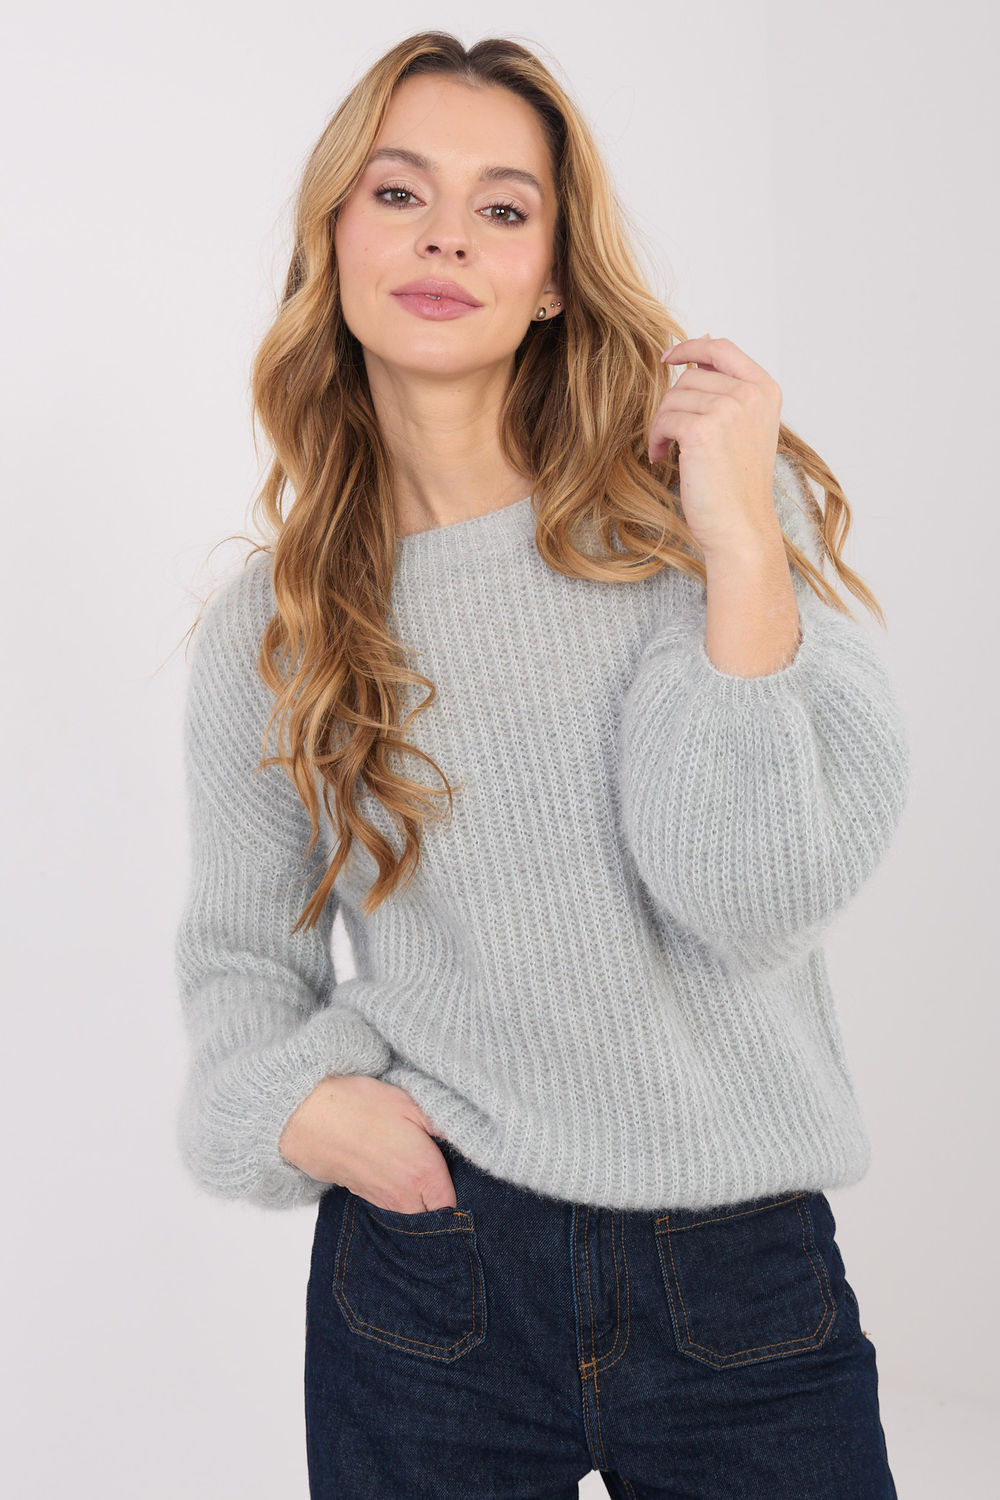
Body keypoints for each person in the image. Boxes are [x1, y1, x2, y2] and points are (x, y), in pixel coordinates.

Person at [174, 29, 907, 1499]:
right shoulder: (282, 617)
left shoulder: (697, 511)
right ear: (334, 236)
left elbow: (754, 898)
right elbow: (241, 959)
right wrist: (298, 1108)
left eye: (503, 207)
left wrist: (738, 546)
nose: (447, 235)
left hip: (738, 1269)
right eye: (400, 193)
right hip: (432, 1270)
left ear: (557, 274)